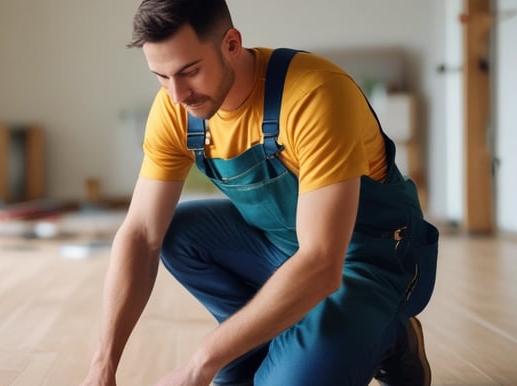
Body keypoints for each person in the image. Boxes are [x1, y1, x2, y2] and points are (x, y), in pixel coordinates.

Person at [81, 0, 439, 385]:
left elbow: (321, 263)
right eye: (161, 76)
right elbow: (139, 235)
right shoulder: (175, 109)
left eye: (190, 72)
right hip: (285, 251)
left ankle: (391, 335)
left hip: (369, 260)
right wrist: (104, 364)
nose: (177, 95)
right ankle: (259, 349)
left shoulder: (314, 95)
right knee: (176, 233)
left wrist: (201, 362)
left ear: (232, 44)